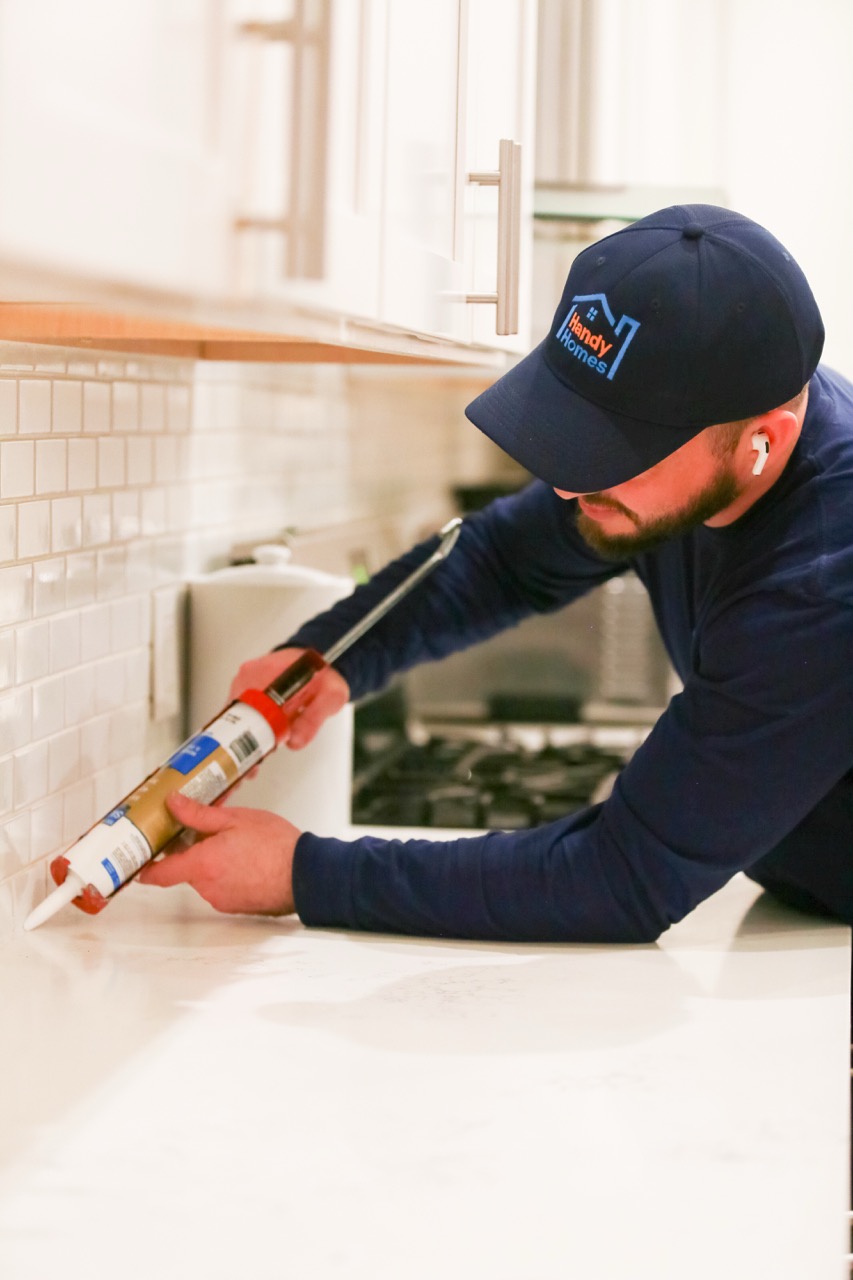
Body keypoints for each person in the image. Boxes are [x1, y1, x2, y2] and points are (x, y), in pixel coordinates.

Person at [139, 204, 853, 941]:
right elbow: (502, 560)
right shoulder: (718, 420)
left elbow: (619, 878)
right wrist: (330, 656)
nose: (572, 489)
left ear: (763, 442)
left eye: (614, 456)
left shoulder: (825, 578)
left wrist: (301, 873)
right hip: (794, 909)